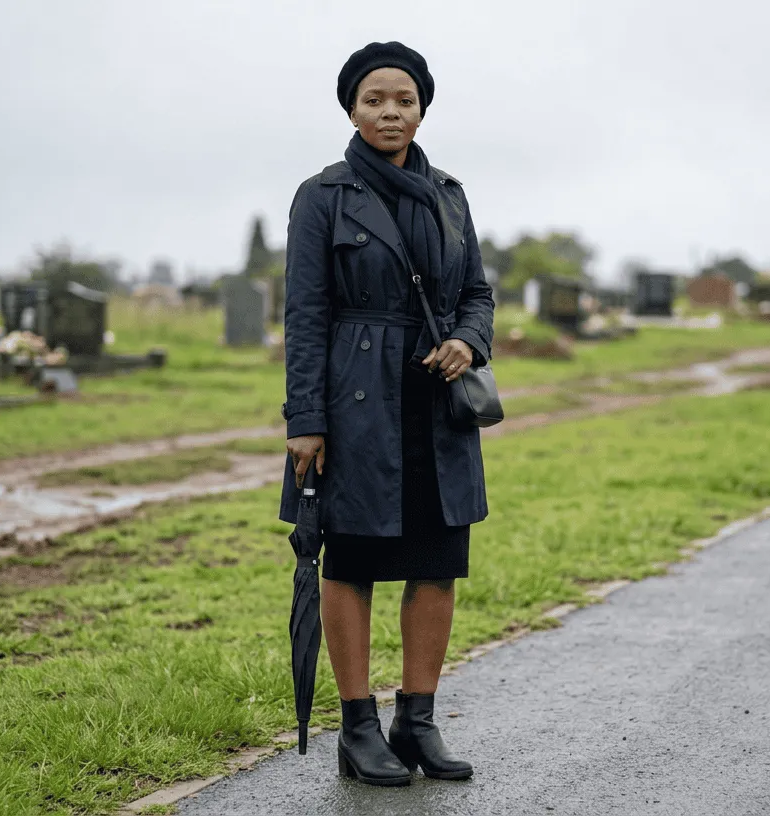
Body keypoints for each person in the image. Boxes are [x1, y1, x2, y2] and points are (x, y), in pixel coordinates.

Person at [278, 41, 495, 787]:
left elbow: (477, 294)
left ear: (423, 107)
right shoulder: (322, 196)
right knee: (355, 563)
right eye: (375, 100)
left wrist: (469, 340)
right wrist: (305, 419)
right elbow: (304, 313)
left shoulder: (451, 195)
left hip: (436, 405)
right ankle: (358, 728)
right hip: (354, 404)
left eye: (403, 100)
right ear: (351, 108)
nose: (390, 112)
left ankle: (418, 721)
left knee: (436, 565)